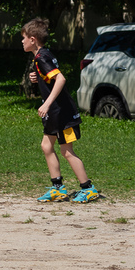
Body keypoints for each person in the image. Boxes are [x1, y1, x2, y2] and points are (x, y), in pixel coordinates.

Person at [22, 17, 99, 203]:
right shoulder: (42, 56)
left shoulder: (42, 57)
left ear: (33, 39)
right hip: (54, 113)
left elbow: (61, 79)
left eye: (24, 38)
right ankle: (57, 188)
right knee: (46, 146)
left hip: (61, 112)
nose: (22, 41)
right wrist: (38, 77)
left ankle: (88, 189)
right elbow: (50, 76)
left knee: (66, 151)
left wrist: (47, 103)